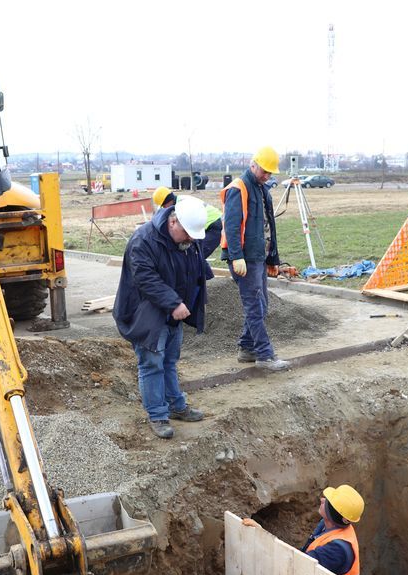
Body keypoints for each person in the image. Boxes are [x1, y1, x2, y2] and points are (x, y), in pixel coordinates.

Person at [113, 195, 212, 439]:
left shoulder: (186, 239)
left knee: (169, 361)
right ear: (173, 222)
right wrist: (174, 303)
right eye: (187, 233)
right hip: (146, 313)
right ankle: (158, 414)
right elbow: (146, 279)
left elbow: (192, 267)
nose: (190, 239)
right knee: (151, 363)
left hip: (172, 313)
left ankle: (176, 406)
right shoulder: (143, 241)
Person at [220, 147, 290, 372]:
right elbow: (231, 225)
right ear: (253, 165)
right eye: (265, 171)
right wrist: (236, 256)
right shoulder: (238, 189)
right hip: (244, 259)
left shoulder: (262, 190)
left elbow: (269, 226)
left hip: (259, 257)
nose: (267, 175)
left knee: (261, 304)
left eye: (271, 173)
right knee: (254, 305)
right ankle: (265, 355)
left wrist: (273, 258)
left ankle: (247, 348)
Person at [242, 484, 364, 575]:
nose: (322, 500)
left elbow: (298, 565)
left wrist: (263, 536)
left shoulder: (337, 550)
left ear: (337, 515)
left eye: (328, 502)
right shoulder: (329, 524)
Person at [152, 186, 223, 259]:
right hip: (209, 222)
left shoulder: (182, 205)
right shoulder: (180, 200)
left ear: (167, 201)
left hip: (213, 223)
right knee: (192, 254)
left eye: (164, 206)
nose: (164, 208)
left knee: (197, 255)